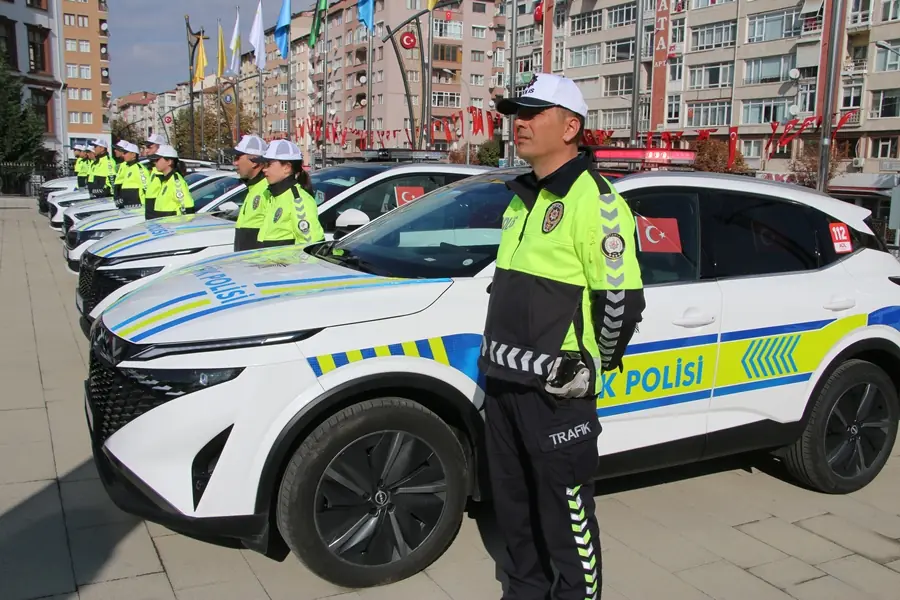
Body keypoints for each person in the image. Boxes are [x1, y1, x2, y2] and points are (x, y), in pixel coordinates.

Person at [480, 73, 645, 600]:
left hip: (557, 395)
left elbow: (619, 301)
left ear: (571, 126)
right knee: (515, 512)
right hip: (504, 385)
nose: (519, 123)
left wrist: (591, 366)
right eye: (515, 114)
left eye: (533, 113)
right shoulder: (519, 198)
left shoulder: (595, 202)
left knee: (566, 519)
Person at [254, 140, 324, 248]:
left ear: (286, 167)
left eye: (268, 164)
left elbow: (310, 246)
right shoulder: (273, 196)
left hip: (282, 265)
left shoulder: (298, 200)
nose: (264, 169)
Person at [231, 135, 270, 251]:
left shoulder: (267, 188)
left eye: (238, 158)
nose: (235, 163)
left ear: (254, 161)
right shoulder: (254, 187)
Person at [145, 144, 194, 220]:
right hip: (163, 227)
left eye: (157, 160)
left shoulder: (176, 182)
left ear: (169, 162)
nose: (154, 162)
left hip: (171, 228)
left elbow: (187, 210)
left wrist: (170, 219)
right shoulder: (166, 181)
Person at [115, 141, 149, 208]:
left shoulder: (140, 169)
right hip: (127, 206)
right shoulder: (128, 167)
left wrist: (145, 206)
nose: (124, 155)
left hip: (138, 206)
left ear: (133, 155)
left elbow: (146, 188)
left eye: (125, 153)